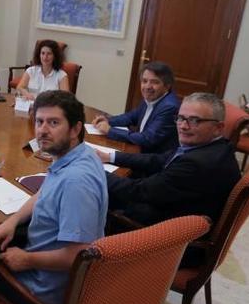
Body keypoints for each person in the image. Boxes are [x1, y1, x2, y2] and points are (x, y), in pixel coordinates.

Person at [0, 90, 108, 304]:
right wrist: (13, 220)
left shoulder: (75, 182)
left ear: (76, 129)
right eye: (39, 121)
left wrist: (26, 260)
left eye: (53, 122)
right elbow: (45, 191)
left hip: (46, 292)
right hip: (47, 260)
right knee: (4, 235)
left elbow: (80, 253)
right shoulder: (79, 154)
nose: (43, 130)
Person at [100, 92, 241, 229]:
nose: (183, 126)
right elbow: (158, 159)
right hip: (171, 206)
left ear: (218, 127)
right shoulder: (214, 146)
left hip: (161, 233)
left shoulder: (197, 164)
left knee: (92, 193)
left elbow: (139, 191)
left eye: (194, 120)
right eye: (180, 118)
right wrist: (110, 156)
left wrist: (95, 170)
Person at [91, 61, 180, 154]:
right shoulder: (153, 98)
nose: (147, 86)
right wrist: (108, 121)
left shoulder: (169, 107)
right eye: (144, 81)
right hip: (139, 151)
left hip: (152, 160)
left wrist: (110, 130)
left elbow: (146, 139)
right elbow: (131, 117)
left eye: (155, 82)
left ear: (167, 86)